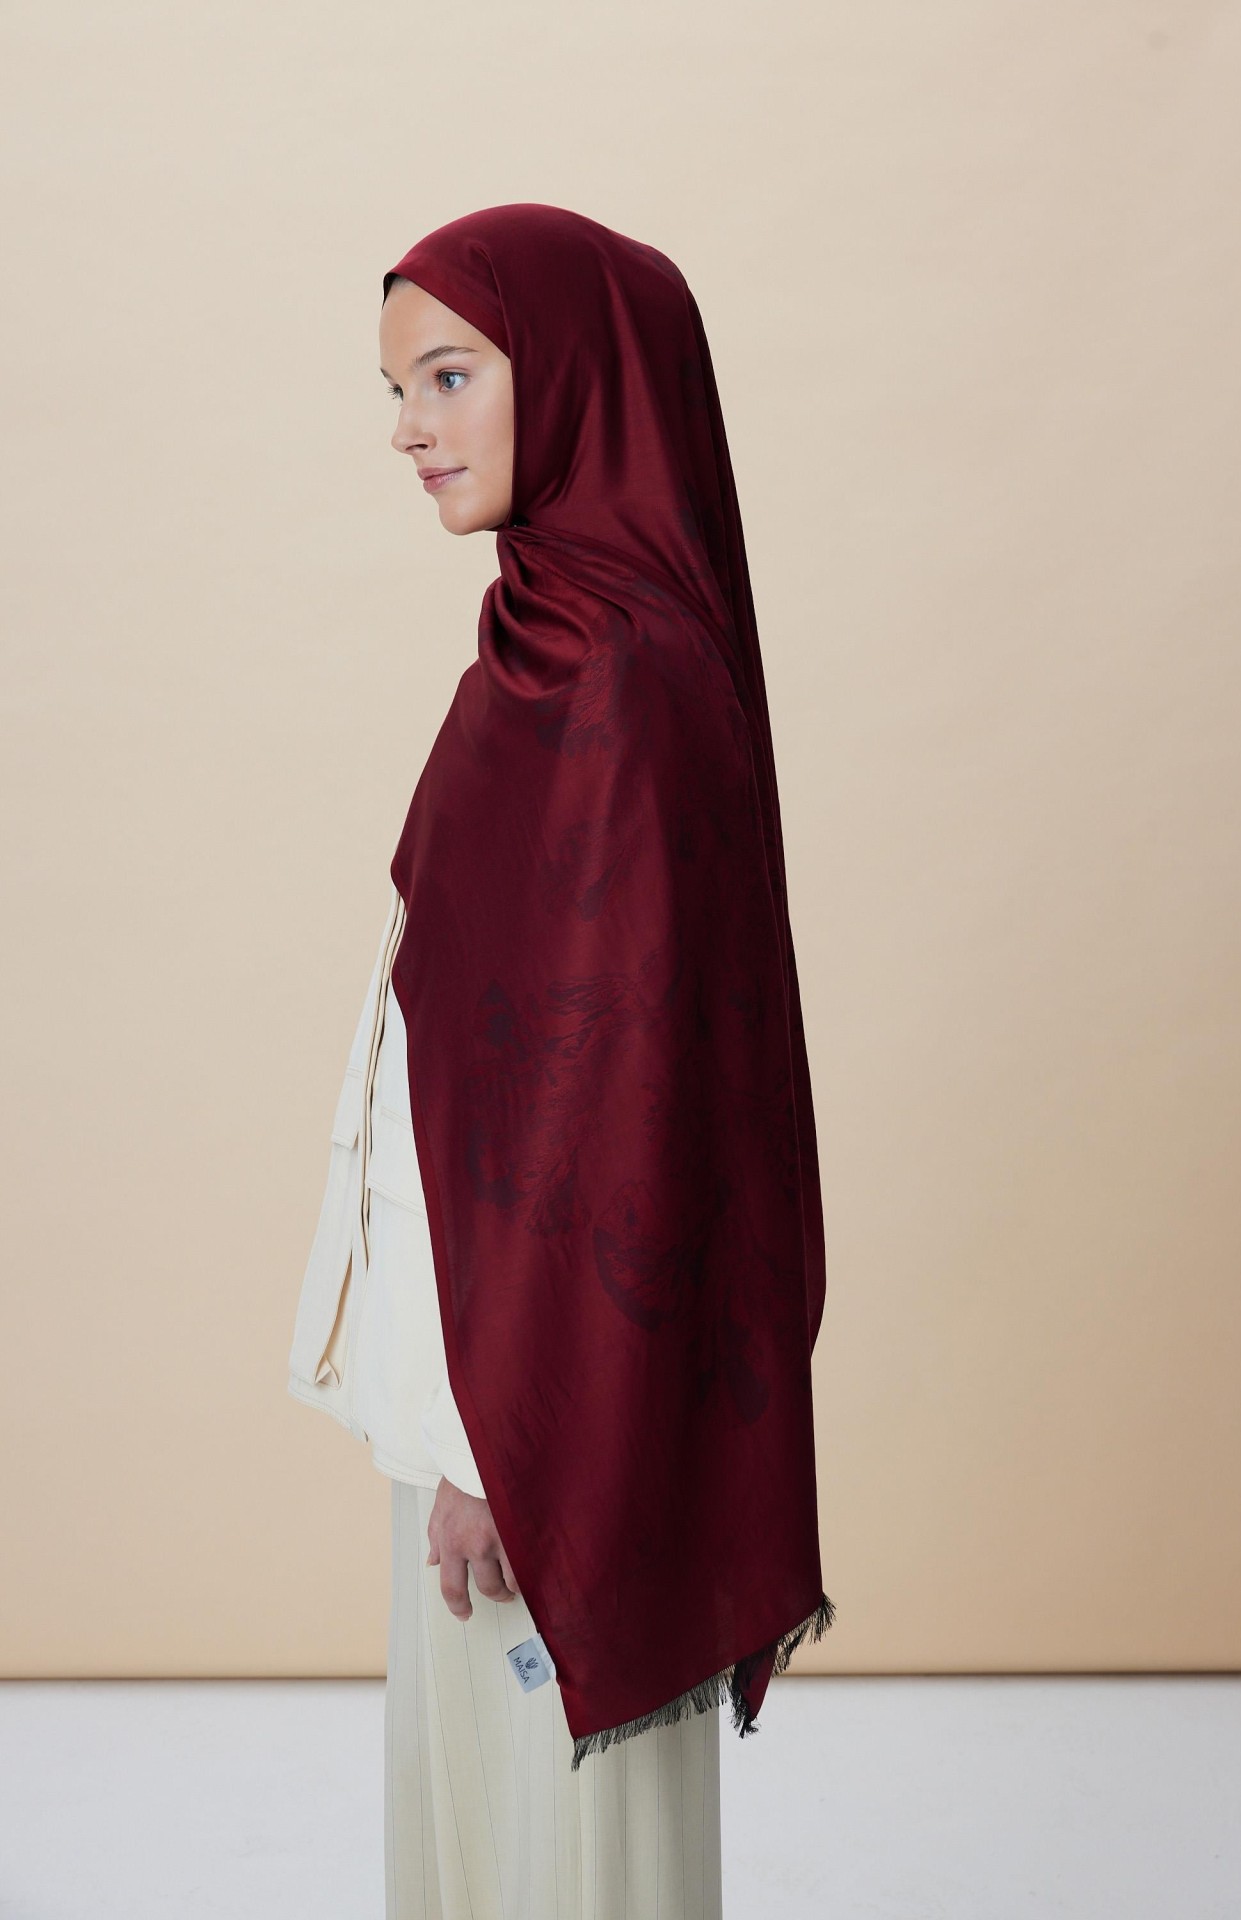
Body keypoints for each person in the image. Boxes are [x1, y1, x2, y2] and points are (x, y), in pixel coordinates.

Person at [288, 202, 832, 1920]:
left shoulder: (616, 679)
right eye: (397, 389)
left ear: (586, 380)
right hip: (480, 1371)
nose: (410, 428)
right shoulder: (552, 641)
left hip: (540, 1424)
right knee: (487, 1836)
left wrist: (489, 1458)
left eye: (450, 377)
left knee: (554, 1850)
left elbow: (609, 1121)